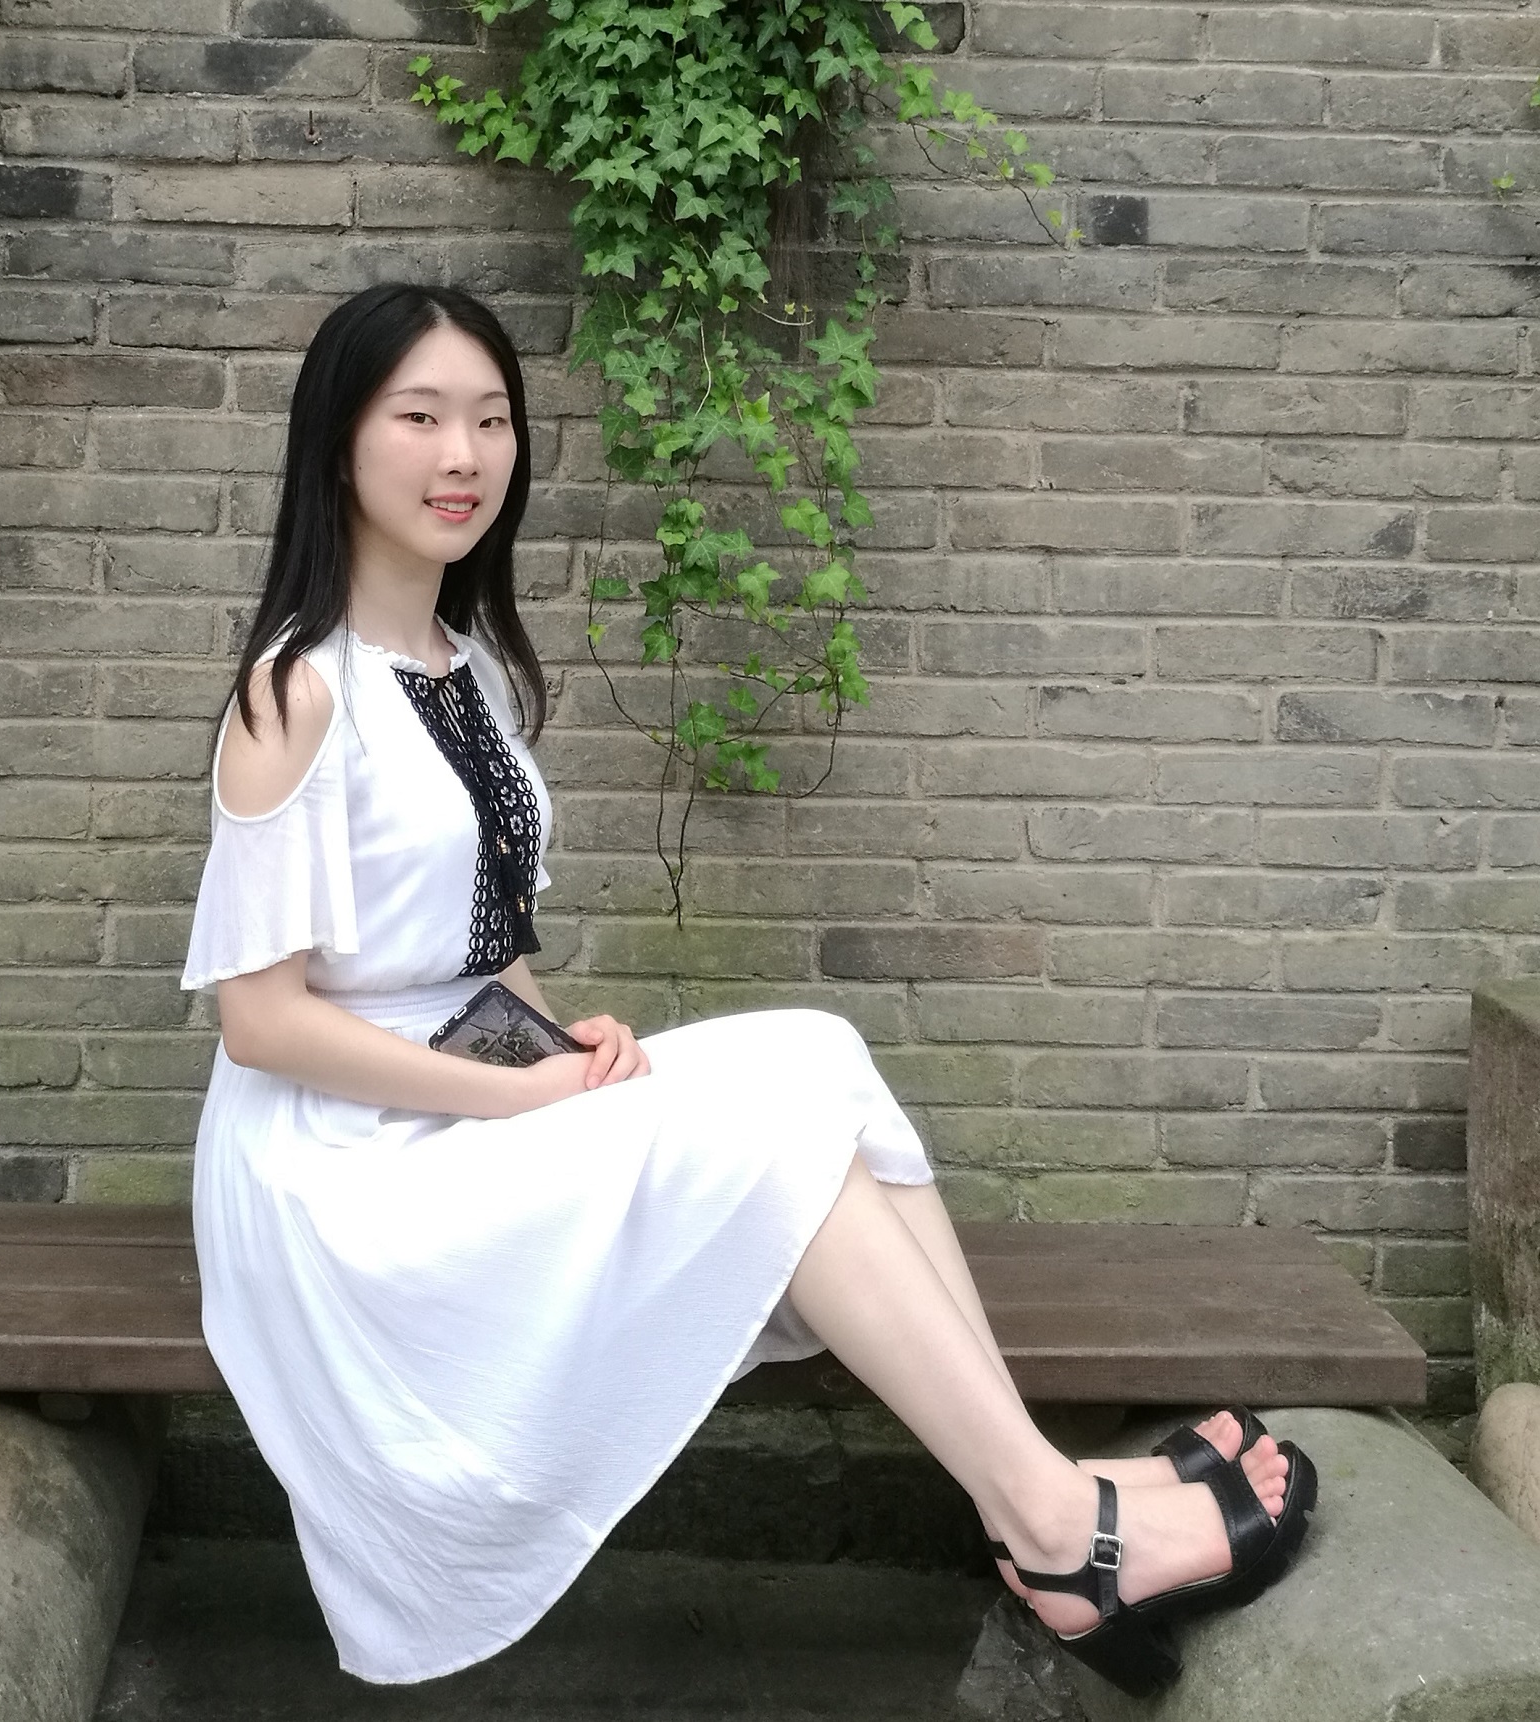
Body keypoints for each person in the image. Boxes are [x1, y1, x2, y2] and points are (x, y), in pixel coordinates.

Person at [178, 281, 1317, 1694]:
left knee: (817, 1054)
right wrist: (515, 1095)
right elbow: (264, 1021)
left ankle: (1022, 1484)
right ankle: (1057, 1527)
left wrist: (554, 1037)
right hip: (337, 1168)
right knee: (771, 1143)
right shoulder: (295, 692)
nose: (463, 455)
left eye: (492, 419)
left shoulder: (465, 668)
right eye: (419, 418)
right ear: (339, 442)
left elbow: (473, 942)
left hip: (464, 1086)